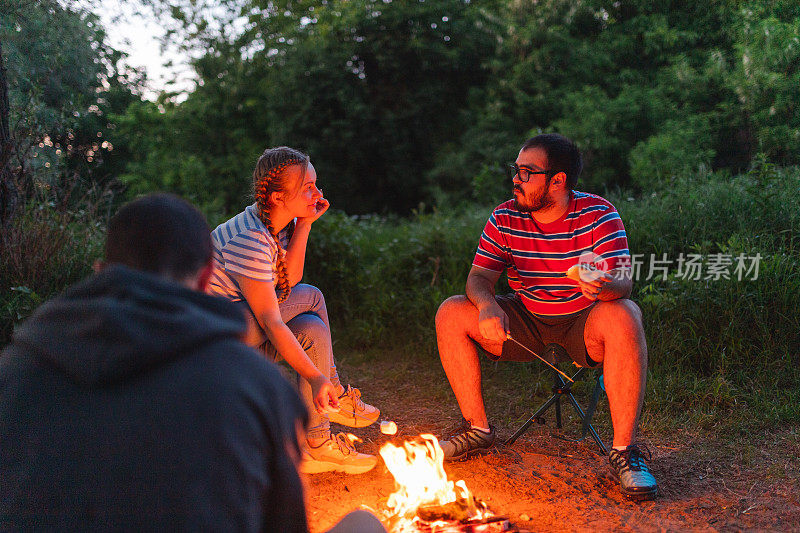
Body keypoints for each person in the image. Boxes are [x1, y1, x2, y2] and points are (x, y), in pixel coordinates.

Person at [435, 133, 658, 501]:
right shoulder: (505, 216)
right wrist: (488, 305)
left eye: (526, 172)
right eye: (516, 170)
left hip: (583, 322)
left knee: (625, 313)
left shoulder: (599, 214)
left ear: (558, 180)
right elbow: (479, 278)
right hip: (524, 319)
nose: (515, 179)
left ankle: (624, 453)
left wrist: (604, 288)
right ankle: (478, 430)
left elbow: (624, 283)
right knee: (452, 311)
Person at [207, 146, 380, 475]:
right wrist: (317, 379)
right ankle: (338, 394)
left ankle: (316, 444)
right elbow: (272, 321)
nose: (317, 193)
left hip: (239, 325)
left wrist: (305, 226)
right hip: (217, 339)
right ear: (276, 197)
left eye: (316, 183)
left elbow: (289, 281)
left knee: (313, 330)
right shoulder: (250, 238)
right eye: (307, 188)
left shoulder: (275, 223)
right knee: (312, 297)